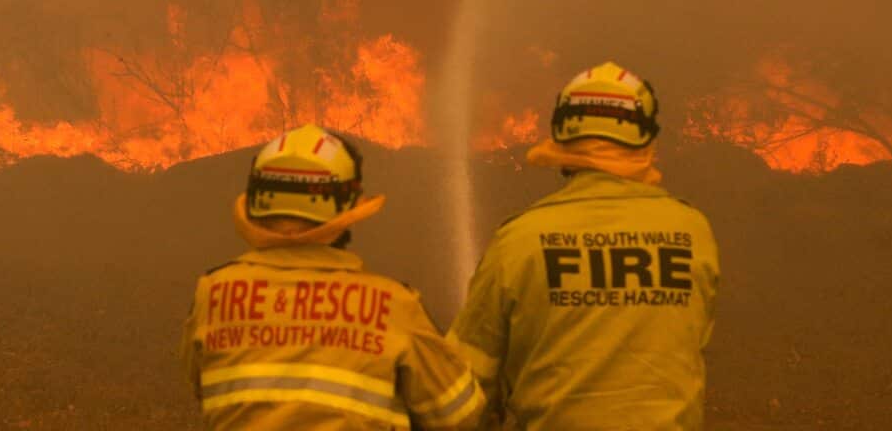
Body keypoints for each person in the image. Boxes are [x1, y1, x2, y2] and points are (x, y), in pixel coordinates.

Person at [449, 63, 720, 430]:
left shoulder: (519, 242)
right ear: (645, 136)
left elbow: (464, 388)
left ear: (562, 132)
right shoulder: (692, 234)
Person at [182, 123, 485, 430]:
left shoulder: (213, 295)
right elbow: (460, 416)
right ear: (347, 212)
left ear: (257, 205)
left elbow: (203, 387)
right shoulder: (392, 306)